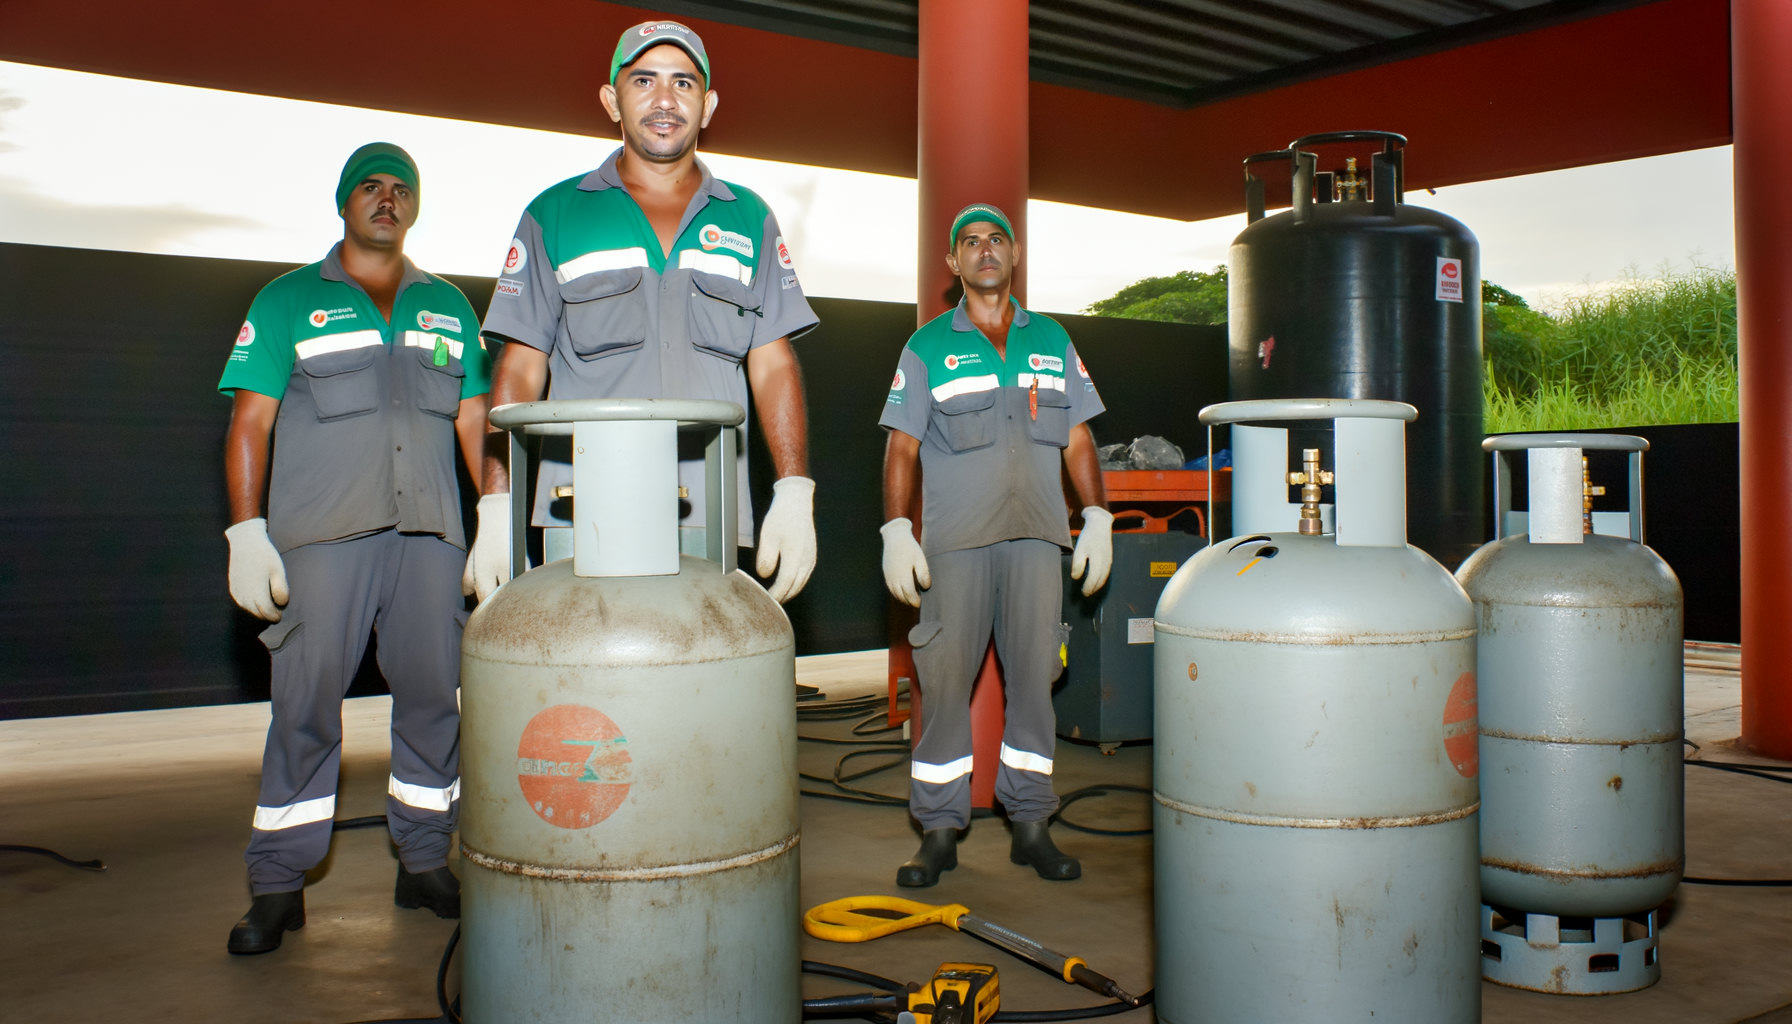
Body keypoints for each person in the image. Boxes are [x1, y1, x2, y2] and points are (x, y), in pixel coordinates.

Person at [217, 143, 490, 954]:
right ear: (344, 203)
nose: (386, 198)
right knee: (305, 709)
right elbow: (250, 422)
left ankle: (424, 859)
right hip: (322, 538)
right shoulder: (286, 300)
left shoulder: (448, 306)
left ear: (415, 206)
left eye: (400, 188)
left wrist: (498, 515)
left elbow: (474, 420)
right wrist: (245, 529)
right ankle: (276, 883)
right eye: (370, 186)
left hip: (431, 537)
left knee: (435, 699)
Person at [465, 19, 818, 601]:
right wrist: (498, 499)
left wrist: (794, 488)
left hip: (711, 515)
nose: (663, 99)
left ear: (707, 106)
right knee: (583, 685)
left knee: (704, 684)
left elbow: (773, 365)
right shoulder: (552, 214)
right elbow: (519, 369)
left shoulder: (750, 218)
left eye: (683, 83)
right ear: (612, 100)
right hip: (580, 515)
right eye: (643, 80)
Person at [878, 203, 1114, 888]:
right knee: (945, 687)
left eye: (997, 240)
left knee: (1037, 684)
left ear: (1014, 257)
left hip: (1039, 540)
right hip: (955, 544)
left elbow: (1078, 437)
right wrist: (898, 529)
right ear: (953, 264)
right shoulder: (926, 347)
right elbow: (902, 446)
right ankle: (940, 831)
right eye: (970, 243)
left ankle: (1031, 823)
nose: (985, 250)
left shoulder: (1053, 340)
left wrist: (1097, 514)